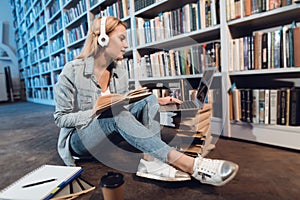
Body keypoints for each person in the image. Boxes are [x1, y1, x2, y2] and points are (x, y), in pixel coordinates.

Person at [53, 16, 239, 186]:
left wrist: (157, 101)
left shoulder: (120, 72)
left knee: (148, 97)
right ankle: (191, 165)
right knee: (116, 114)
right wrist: (94, 111)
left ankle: (151, 162)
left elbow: (124, 106)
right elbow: (60, 119)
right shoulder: (73, 70)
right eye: (122, 38)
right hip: (79, 141)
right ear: (103, 39)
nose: (126, 45)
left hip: (108, 137)